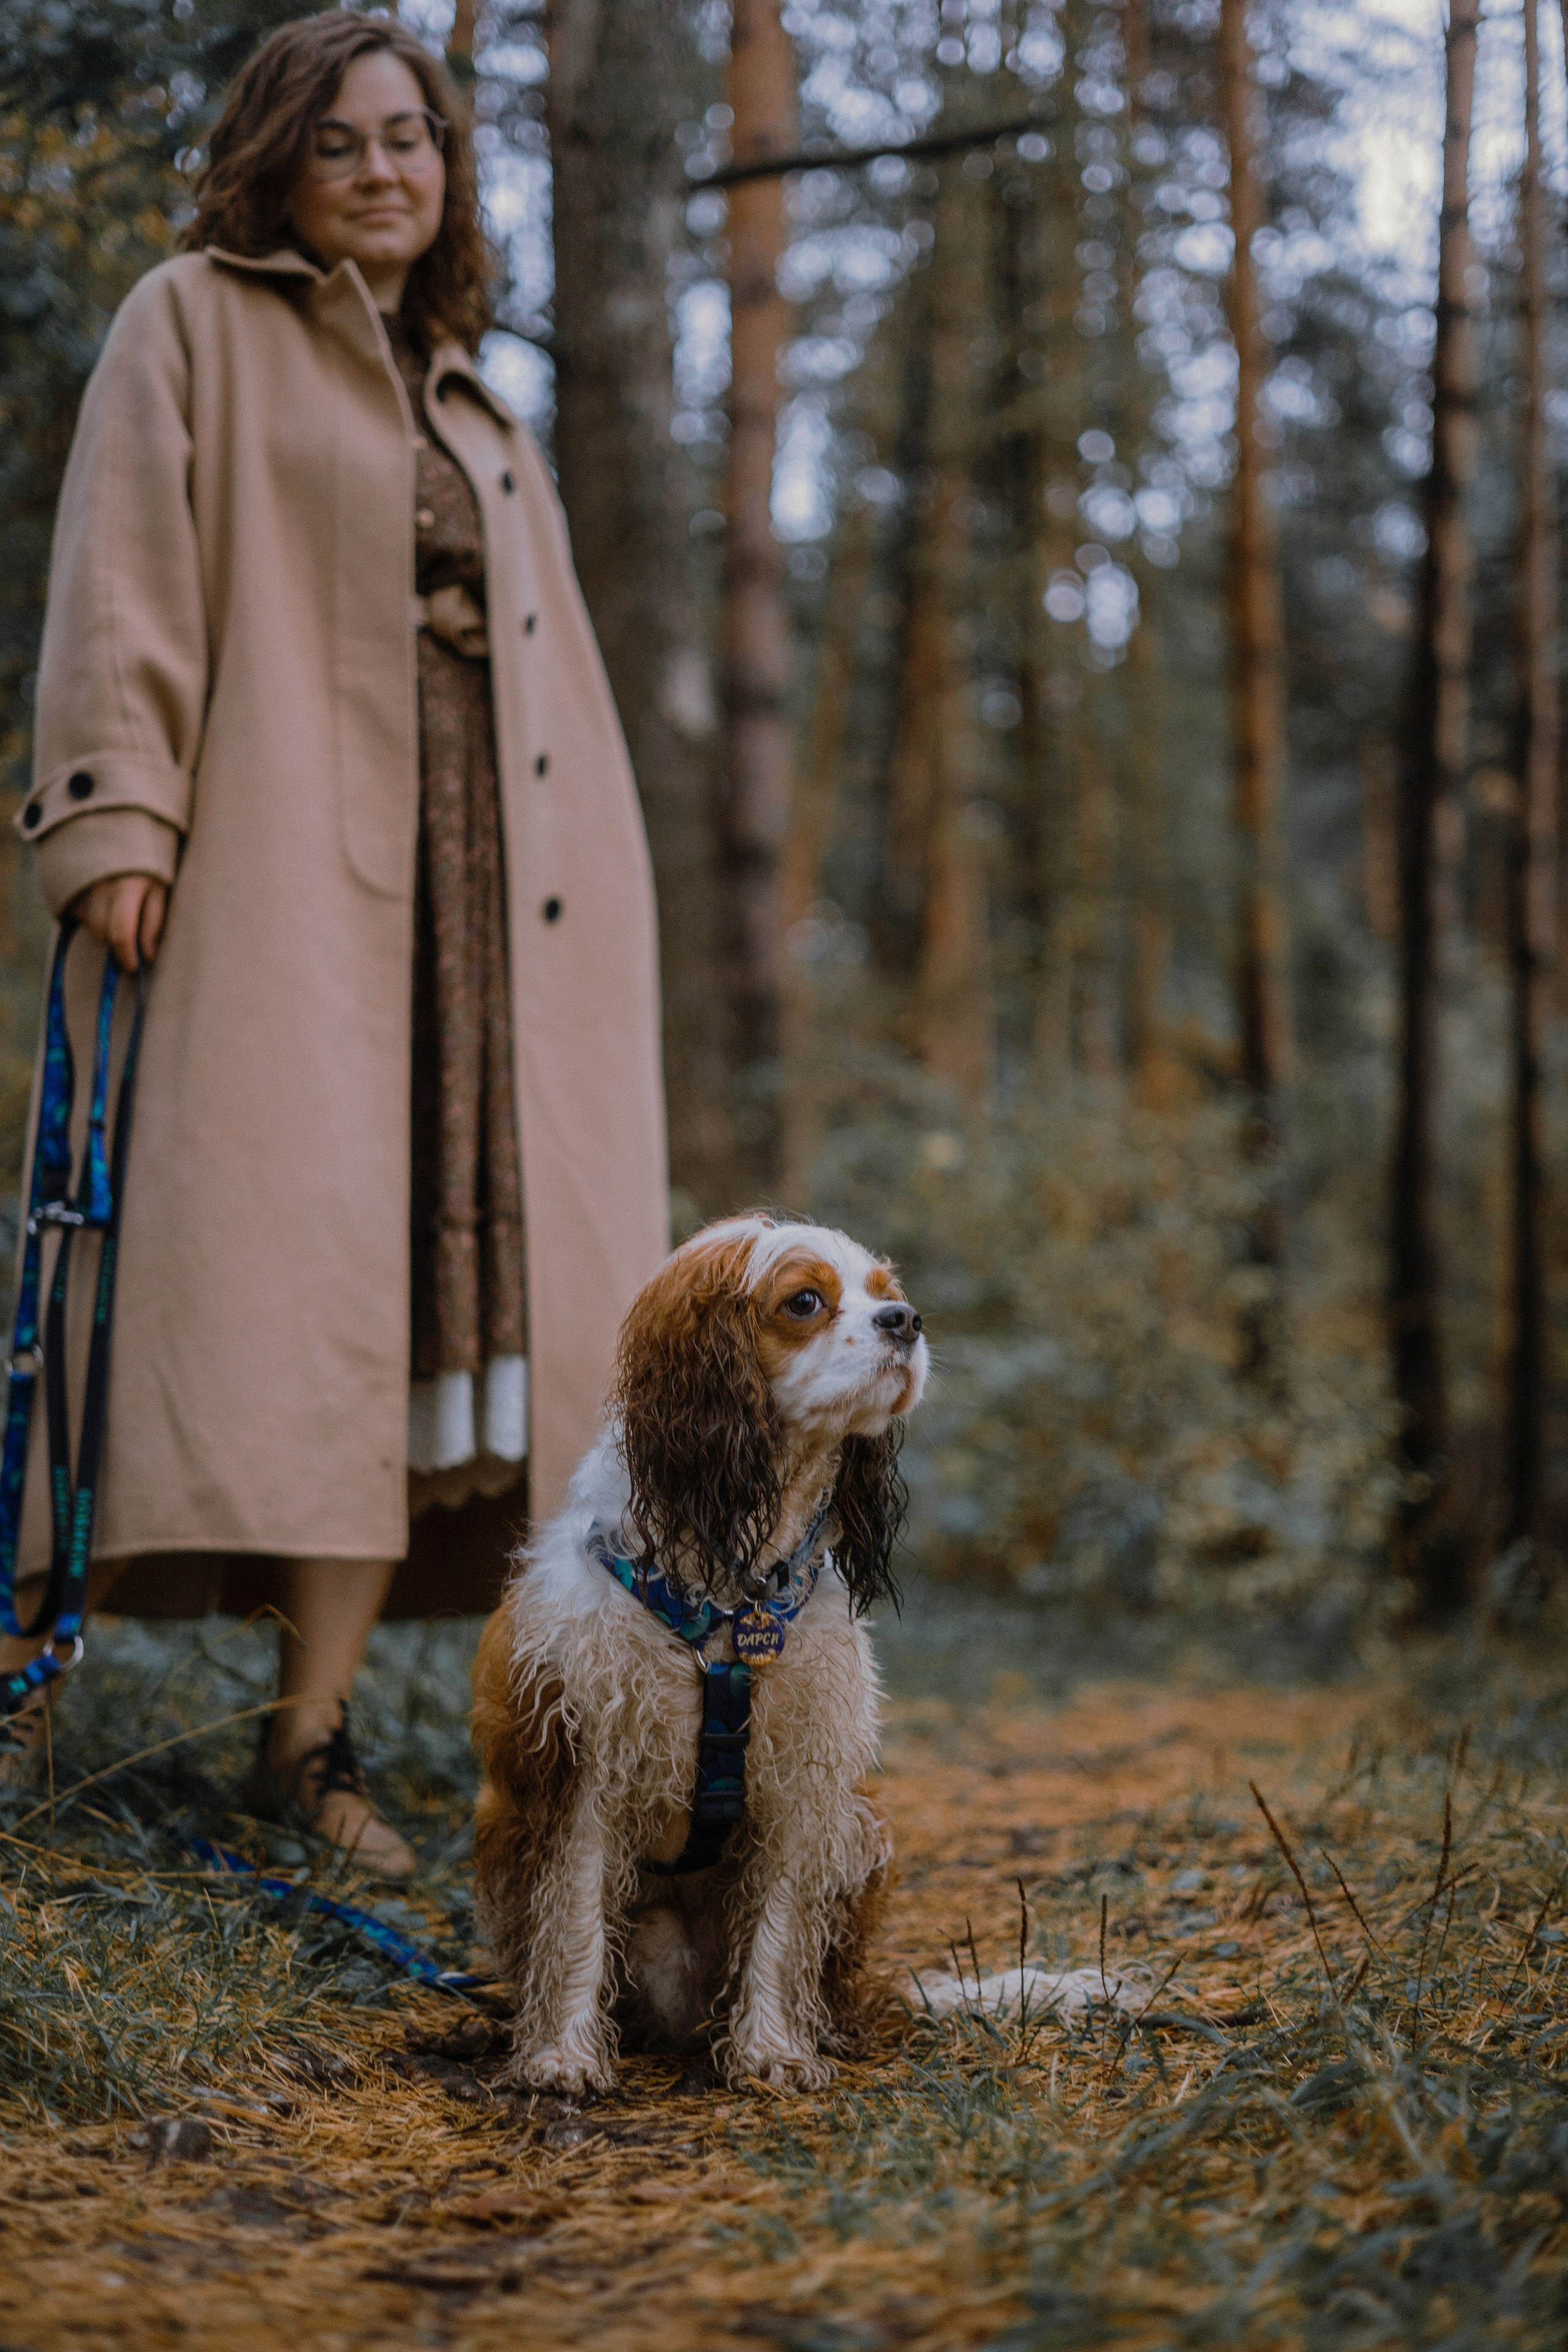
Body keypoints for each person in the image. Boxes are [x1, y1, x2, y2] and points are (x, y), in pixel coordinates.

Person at [0, 12, 669, 1872]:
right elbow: (125, 567)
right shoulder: (190, 321)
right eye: (345, 144)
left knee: (412, 1324)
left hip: (493, 920)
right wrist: (116, 817)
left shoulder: (478, 400)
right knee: (250, 1283)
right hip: (284, 884)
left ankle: (306, 1745)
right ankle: (25, 1698)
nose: (388, 171)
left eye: (417, 141)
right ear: (279, 164)